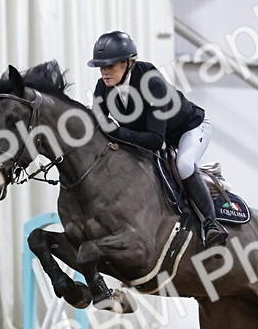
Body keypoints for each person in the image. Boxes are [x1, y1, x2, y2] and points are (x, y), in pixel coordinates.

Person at [87, 30, 227, 247]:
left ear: (129, 63)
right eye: (101, 67)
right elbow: (96, 122)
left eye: (110, 66)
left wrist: (113, 132)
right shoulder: (103, 88)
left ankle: (211, 225)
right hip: (157, 137)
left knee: (184, 165)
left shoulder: (152, 84)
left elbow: (154, 140)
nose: (104, 72)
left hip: (190, 130)